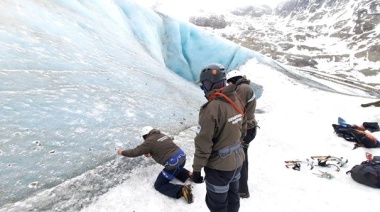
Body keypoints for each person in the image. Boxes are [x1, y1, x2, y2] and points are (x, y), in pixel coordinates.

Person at [191, 63, 245, 212]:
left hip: (219, 168)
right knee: (233, 199)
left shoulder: (211, 108)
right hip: (237, 161)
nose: (203, 88)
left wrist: (196, 169)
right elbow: (243, 127)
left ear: (209, 84)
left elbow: (203, 144)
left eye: (204, 84)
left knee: (218, 205)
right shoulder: (236, 99)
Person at [117, 126, 194, 204]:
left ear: (145, 135)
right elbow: (162, 147)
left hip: (173, 165)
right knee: (176, 166)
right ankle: (189, 174)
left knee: (159, 185)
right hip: (182, 158)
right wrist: (151, 151)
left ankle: (183, 190)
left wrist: (121, 152)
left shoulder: (149, 141)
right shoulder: (162, 135)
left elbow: (134, 152)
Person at [226, 69, 258, 199]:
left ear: (233, 80)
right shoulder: (245, 87)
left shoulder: (242, 89)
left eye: (229, 83)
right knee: (241, 157)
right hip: (249, 127)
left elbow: (236, 109)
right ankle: (240, 187)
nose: (228, 85)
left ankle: (242, 190)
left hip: (246, 129)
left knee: (241, 159)